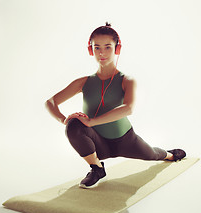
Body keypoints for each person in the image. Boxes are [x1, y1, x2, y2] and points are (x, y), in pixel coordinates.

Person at [46, 22, 186, 189]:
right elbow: (51, 102)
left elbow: (128, 108)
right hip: (98, 144)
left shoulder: (127, 80)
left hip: (126, 140)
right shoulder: (83, 82)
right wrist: (64, 120)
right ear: (90, 50)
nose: (102, 53)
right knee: (73, 125)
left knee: (152, 154)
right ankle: (97, 168)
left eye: (107, 47)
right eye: (97, 48)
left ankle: (170, 155)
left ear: (117, 49)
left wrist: (91, 122)